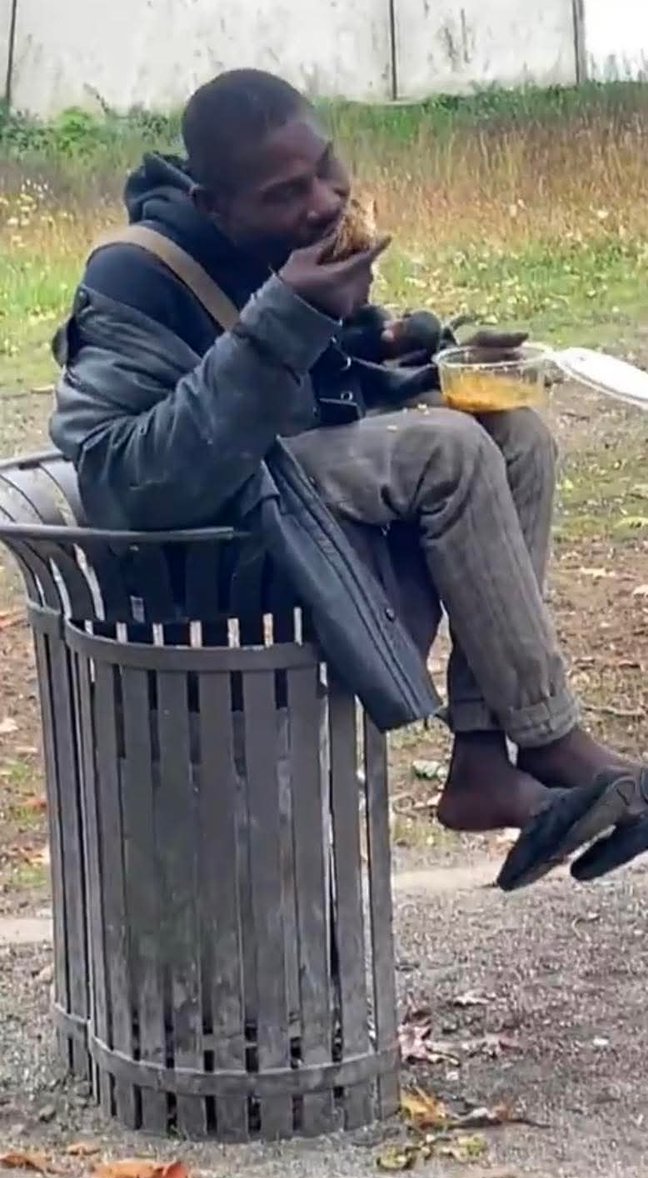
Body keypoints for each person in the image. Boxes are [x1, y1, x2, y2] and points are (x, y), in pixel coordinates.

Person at [50, 68, 645, 883]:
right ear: (214, 208)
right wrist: (284, 320)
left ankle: (481, 760)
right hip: (209, 554)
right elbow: (127, 483)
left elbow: (327, 384)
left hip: (290, 500)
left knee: (513, 439)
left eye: (327, 167)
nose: (325, 201)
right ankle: (551, 738)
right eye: (287, 192)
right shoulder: (134, 276)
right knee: (450, 452)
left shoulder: (277, 246)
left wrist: (427, 356)